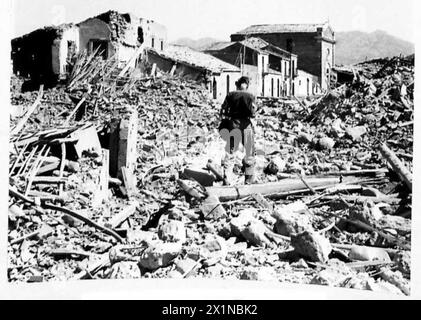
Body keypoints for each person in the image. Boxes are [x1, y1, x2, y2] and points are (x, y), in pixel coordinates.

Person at [219, 76, 257, 184]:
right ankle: (249, 181)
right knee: (249, 151)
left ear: (237, 84)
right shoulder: (251, 96)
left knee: (231, 151)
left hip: (234, 123)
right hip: (246, 124)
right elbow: (253, 112)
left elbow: (223, 111)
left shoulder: (231, 95)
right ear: (247, 85)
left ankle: (227, 179)